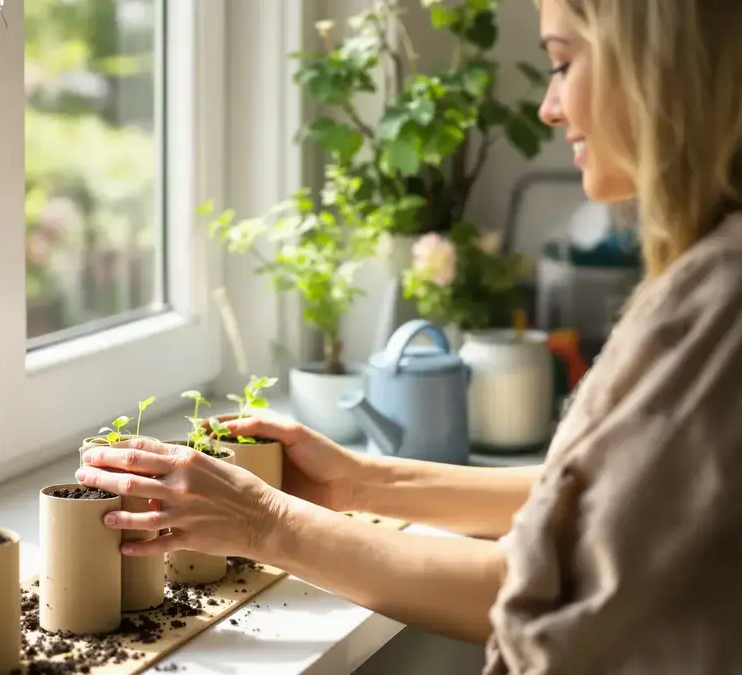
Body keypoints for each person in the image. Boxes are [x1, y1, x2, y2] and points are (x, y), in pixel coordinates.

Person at [75, 0, 742, 672]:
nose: (548, 107)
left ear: (661, 66)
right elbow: (597, 503)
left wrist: (265, 523)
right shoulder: (710, 270)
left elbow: (548, 593)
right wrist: (361, 483)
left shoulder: (723, 299)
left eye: (563, 63)